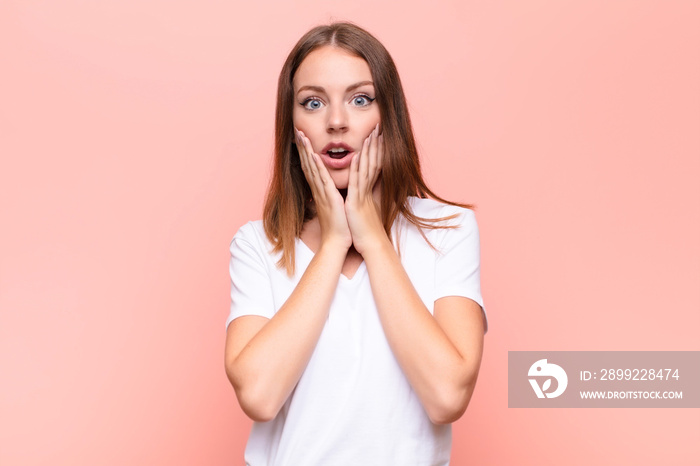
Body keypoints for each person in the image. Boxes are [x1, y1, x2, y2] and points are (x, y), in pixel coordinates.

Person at [224, 21, 487, 465]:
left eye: (360, 99)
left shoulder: (448, 229)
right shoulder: (257, 244)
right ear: (292, 126)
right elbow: (259, 396)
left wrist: (372, 240)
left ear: (389, 117)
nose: (337, 122)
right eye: (312, 102)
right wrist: (332, 245)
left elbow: (447, 396)